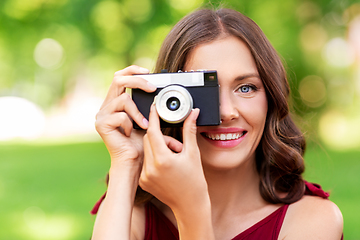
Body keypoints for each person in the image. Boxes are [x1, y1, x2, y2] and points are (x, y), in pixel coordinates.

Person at [91, 8, 343, 240]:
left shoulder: (313, 220)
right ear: (167, 99)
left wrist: (192, 209)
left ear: (271, 97)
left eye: (246, 88)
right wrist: (126, 163)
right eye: (204, 92)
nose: (226, 112)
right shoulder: (131, 213)